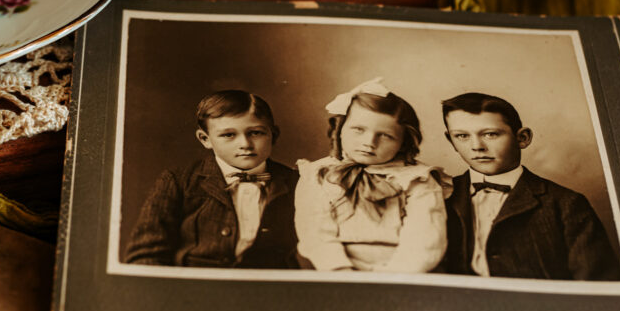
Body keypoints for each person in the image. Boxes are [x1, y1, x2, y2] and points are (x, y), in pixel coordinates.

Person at [440, 92, 620, 280]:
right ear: (451, 141)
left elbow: (597, 283)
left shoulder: (566, 203)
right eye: (462, 136)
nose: (477, 146)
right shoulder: (439, 193)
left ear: (523, 138)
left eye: (490, 134)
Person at [124, 90, 297, 268]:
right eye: (229, 135)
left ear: (274, 135)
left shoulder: (296, 182)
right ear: (205, 139)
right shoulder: (178, 181)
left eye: (256, 133)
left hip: (269, 290)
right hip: (193, 289)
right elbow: (145, 256)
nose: (245, 144)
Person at [295, 78, 448, 272]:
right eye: (358, 130)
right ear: (339, 129)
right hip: (332, 269)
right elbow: (314, 231)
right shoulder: (318, 173)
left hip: (401, 271)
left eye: (385, 135)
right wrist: (339, 272)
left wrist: (393, 278)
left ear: (404, 142)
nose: (369, 142)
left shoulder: (418, 178)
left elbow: (426, 237)